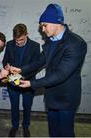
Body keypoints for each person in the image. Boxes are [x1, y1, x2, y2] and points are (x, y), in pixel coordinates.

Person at [10, 4, 87, 137]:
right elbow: (39, 61)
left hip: (66, 99)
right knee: (53, 132)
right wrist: (21, 70)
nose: (42, 29)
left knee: (66, 133)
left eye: (44, 25)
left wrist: (32, 84)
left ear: (56, 22)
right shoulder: (50, 42)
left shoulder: (75, 43)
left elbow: (61, 74)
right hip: (51, 96)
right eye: (41, 26)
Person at [3, 23, 40, 137]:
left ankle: (25, 126)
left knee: (27, 106)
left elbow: (36, 66)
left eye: (21, 39)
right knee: (14, 105)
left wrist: (22, 76)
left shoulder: (35, 46)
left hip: (28, 82)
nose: (18, 42)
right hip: (12, 82)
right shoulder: (9, 44)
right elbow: (5, 61)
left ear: (27, 34)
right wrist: (7, 66)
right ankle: (14, 126)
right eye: (16, 40)